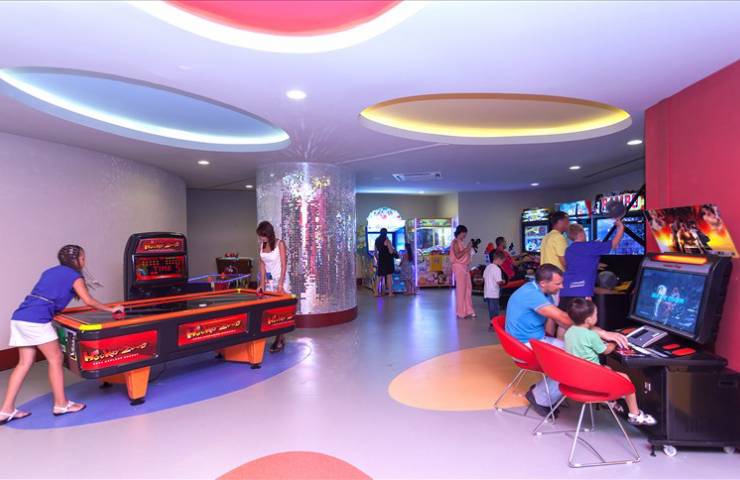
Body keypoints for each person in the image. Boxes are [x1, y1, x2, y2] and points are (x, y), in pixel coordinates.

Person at [1, 245, 122, 426]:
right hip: (37, 320)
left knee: (24, 363)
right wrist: (112, 309)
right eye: (83, 258)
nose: (84, 261)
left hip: (20, 317)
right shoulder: (74, 276)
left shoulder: (50, 271)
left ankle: (6, 410)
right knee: (56, 358)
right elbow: (88, 301)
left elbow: (49, 295)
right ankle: (61, 404)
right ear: (77, 259)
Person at [505, 264, 628, 416]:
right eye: (558, 284)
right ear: (543, 283)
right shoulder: (532, 295)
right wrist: (603, 333)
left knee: (576, 352)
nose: (562, 287)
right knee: (575, 359)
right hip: (524, 346)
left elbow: (562, 321)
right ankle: (540, 398)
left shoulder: (542, 292)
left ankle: (543, 390)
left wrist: (592, 335)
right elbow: (564, 318)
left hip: (534, 340)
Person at [564, 299, 657, 426]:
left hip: (576, 377)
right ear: (589, 320)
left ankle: (610, 401)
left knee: (607, 368)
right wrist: (613, 342)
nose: (597, 316)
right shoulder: (591, 335)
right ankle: (635, 415)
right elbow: (606, 351)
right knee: (625, 379)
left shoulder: (569, 332)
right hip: (590, 380)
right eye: (596, 314)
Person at [559, 220, 625, 310]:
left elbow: (578, 264)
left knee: (565, 318)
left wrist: (595, 264)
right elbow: (614, 244)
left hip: (564, 291)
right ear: (581, 233)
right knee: (585, 318)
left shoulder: (568, 250)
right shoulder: (591, 246)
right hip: (581, 293)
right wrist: (621, 227)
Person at [256, 221, 290, 353]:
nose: (261, 238)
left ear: (269, 234)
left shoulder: (279, 243)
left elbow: (284, 264)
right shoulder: (262, 245)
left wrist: (281, 283)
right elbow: (262, 265)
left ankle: (279, 339)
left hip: (280, 280)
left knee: (280, 311)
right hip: (269, 282)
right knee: (271, 311)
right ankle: (280, 336)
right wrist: (261, 284)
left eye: (263, 235)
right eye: (260, 236)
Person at [450, 225, 475, 319]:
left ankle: (469, 310)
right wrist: (467, 249)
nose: (465, 236)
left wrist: (470, 250)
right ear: (460, 232)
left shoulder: (461, 242)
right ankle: (460, 312)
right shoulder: (455, 242)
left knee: (468, 288)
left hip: (465, 267)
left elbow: (465, 254)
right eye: (464, 234)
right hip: (459, 267)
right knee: (461, 290)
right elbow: (458, 255)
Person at [483, 251, 506, 320]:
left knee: (491, 310)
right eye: (502, 261)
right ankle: (494, 323)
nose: (502, 263)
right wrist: (503, 281)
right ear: (499, 259)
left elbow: (484, 278)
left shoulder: (488, 267)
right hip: (494, 293)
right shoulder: (497, 269)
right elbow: (499, 282)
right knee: (495, 311)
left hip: (487, 292)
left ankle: (492, 322)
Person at [374, 228, 397, 297]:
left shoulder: (377, 240)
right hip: (388, 260)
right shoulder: (387, 240)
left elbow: (375, 253)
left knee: (379, 276)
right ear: (386, 233)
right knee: (389, 276)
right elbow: (391, 251)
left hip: (381, 260)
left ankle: (376, 292)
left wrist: (378, 259)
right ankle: (390, 293)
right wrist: (394, 251)